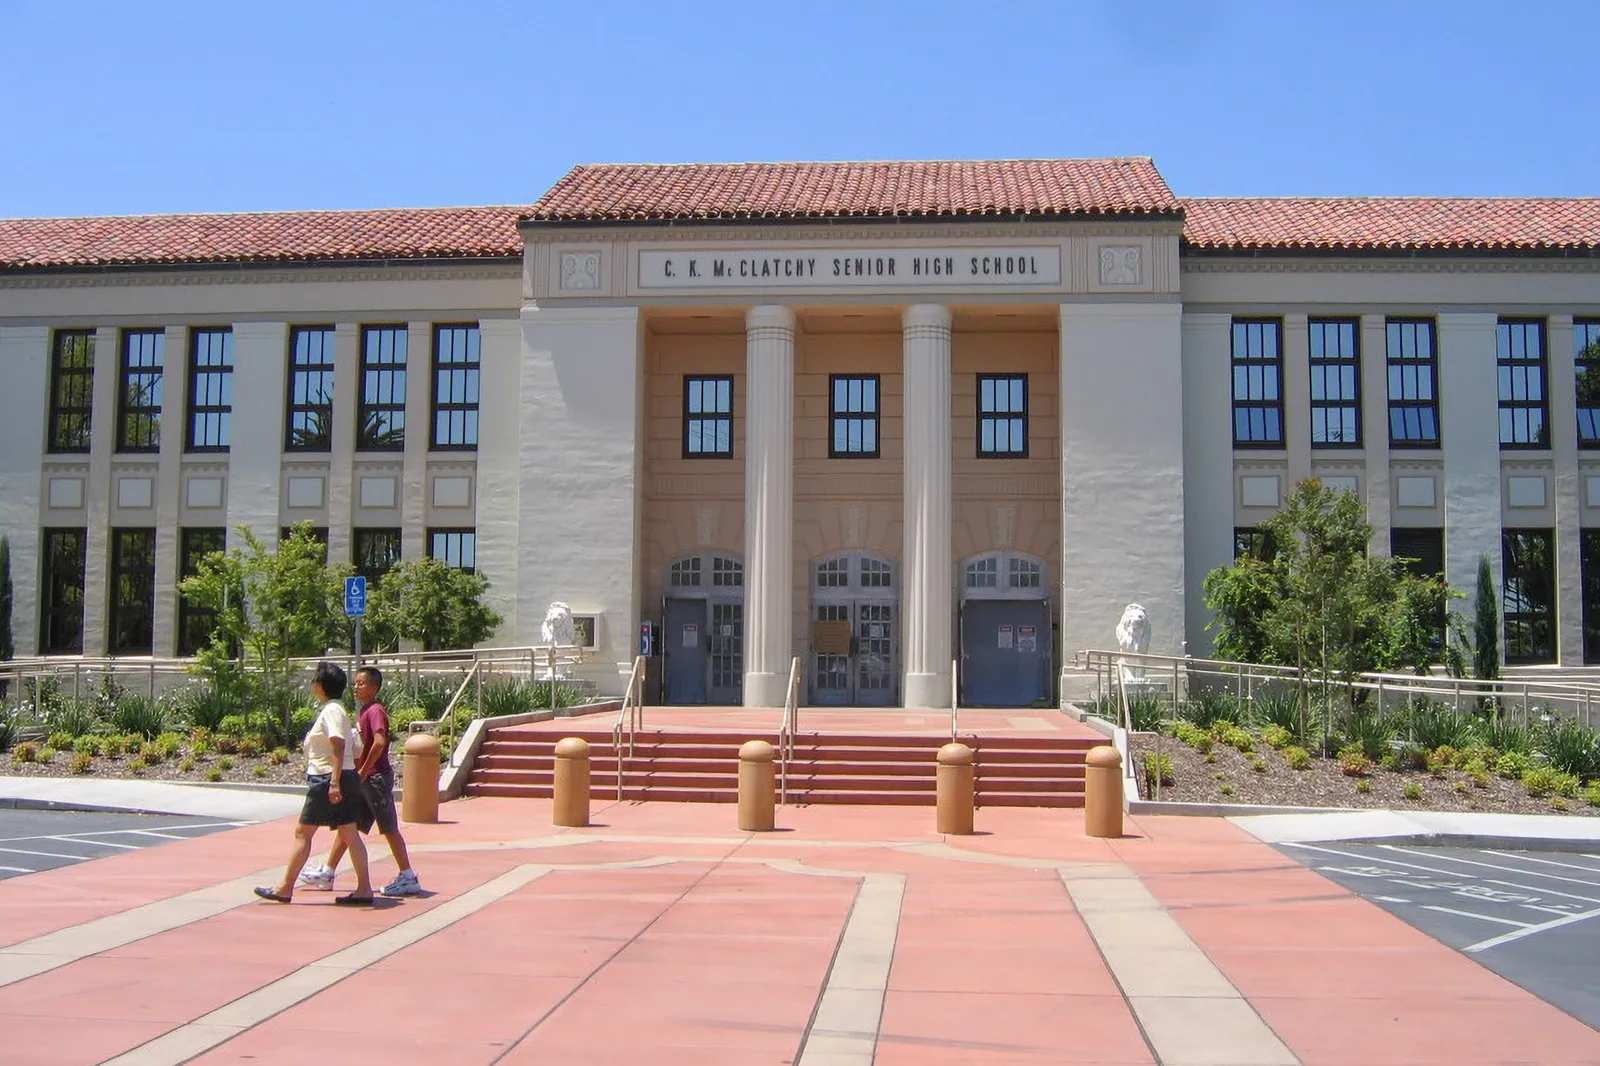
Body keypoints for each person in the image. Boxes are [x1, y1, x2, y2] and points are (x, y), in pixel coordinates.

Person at [254, 661, 376, 905]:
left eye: (315, 681)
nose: (312, 685)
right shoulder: (339, 710)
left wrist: (334, 781)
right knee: (349, 833)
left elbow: (339, 743)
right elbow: (357, 747)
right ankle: (364, 889)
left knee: (303, 832)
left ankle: (285, 887)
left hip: (326, 779)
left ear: (321, 685)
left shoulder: (331, 711)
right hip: (343, 777)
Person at [297, 665, 423, 897]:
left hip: (375, 778)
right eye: (355, 683)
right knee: (349, 826)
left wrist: (363, 770)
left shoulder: (375, 711)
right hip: (367, 778)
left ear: (374, 687)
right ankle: (328, 870)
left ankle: (408, 875)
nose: (356, 687)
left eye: (362, 683)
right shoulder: (364, 711)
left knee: (388, 827)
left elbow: (379, 742)